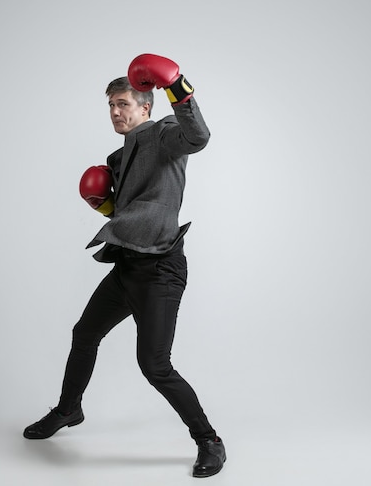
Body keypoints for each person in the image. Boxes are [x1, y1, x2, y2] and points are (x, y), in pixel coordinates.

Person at [23, 53, 226, 478]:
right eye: (111, 106)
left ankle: (208, 440)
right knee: (85, 334)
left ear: (145, 107)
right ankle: (69, 409)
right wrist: (104, 204)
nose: (115, 112)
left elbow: (199, 136)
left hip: (161, 272)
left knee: (155, 365)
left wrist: (178, 86)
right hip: (127, 268)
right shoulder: (118, 157)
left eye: (123, 104)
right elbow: (126, 215)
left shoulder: (165, 133)